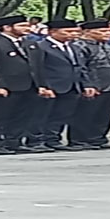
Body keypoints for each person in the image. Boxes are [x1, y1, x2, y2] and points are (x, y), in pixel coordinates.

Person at [0, 15, 49, 155]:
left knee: (22, 115)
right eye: (22, 26)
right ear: (7, 27)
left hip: (29, 85)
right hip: (6, 86)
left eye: (27, 25)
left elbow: (37, 66)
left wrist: (41, 85)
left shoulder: (30, 43)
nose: (27, 28)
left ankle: (14, 141)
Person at [30, 19, 96, 151]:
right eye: (67, 31)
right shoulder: (41, 47)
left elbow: (80, 67)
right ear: (52, 32)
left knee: (62, 115)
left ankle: (54, 139)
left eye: (74, 31)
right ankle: (37, 140)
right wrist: (43, 86)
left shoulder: (74, 47)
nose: (72, 34)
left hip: (71, 85)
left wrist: (86, 84)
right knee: (43, 115)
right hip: (52, 86)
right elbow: (37, 68)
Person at [68, 20, 110, 150]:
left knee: (105, 114)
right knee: (86, 114)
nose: (107, 33)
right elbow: (81, 67)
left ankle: (98, 138)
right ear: (87, 32)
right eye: (102, 31)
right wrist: (87, 84)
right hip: (93, 85)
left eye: (108, 31)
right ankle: (79, 140)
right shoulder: (80, 46)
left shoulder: (106, 45)